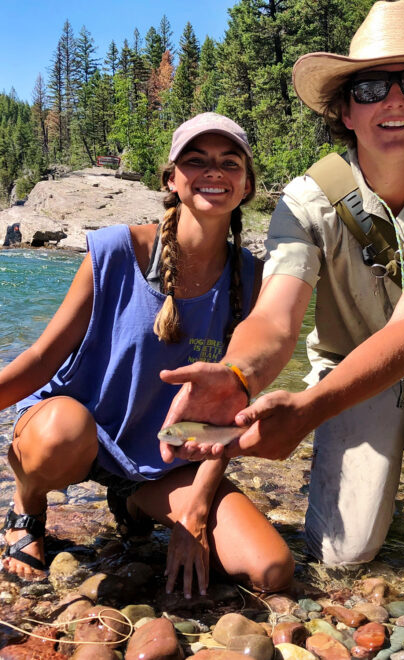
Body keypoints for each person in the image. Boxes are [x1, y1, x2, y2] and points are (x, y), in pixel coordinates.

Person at [158, 0, 404, 600]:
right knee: (343, 556)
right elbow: (275, 315)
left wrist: (307, 410)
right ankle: (382, 491)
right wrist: (239, 374)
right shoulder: (305, 200)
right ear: (345, 112)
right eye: (371, 87)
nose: (394, 101)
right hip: (352, 371)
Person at [0, 113, 294, 595]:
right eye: (196, 161)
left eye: (230, 163)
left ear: (247, 186)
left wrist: (196, 508)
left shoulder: (254, 280)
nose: (214, 172)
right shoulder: (117, 251)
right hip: (79, 431)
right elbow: (41, 358)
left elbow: (229, 415)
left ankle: (133, 502)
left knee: (270, 570)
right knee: (59, 433)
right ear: (171, 180)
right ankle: (27, 504)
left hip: (161, 457)